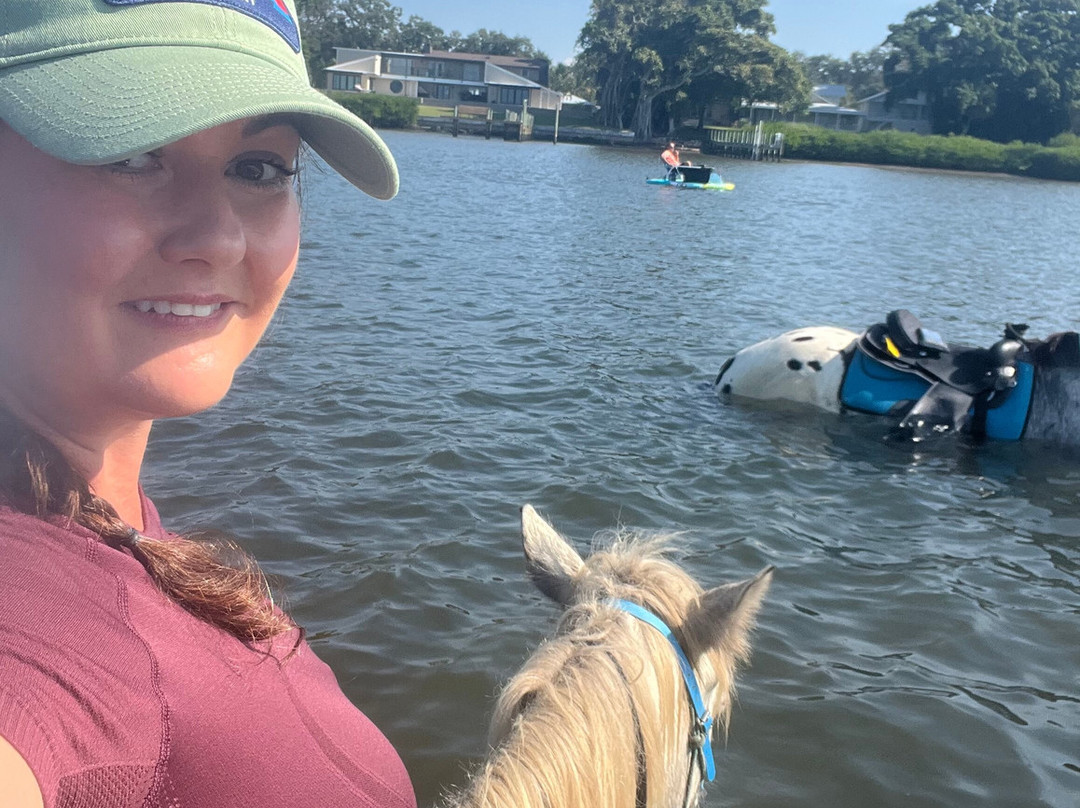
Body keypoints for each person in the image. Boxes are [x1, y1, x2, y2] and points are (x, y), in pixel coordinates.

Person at [0, 1, 415, 806]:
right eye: (131, 154)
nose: (219, 237)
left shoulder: (101, 510)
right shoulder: (35, 639)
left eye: (260, 168)